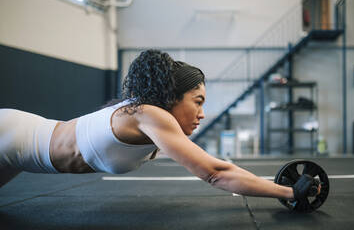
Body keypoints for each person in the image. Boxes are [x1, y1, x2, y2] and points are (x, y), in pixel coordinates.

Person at [0, 49, 318, 202]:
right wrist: (289, 191)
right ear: (172, 97)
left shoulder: (146, 118)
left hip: (19, 150)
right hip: (10, 135)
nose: (202, 113)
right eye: (198, 100)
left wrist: (282, 189)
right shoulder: (150, 114)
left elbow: (219, 166)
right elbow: (215, 174)